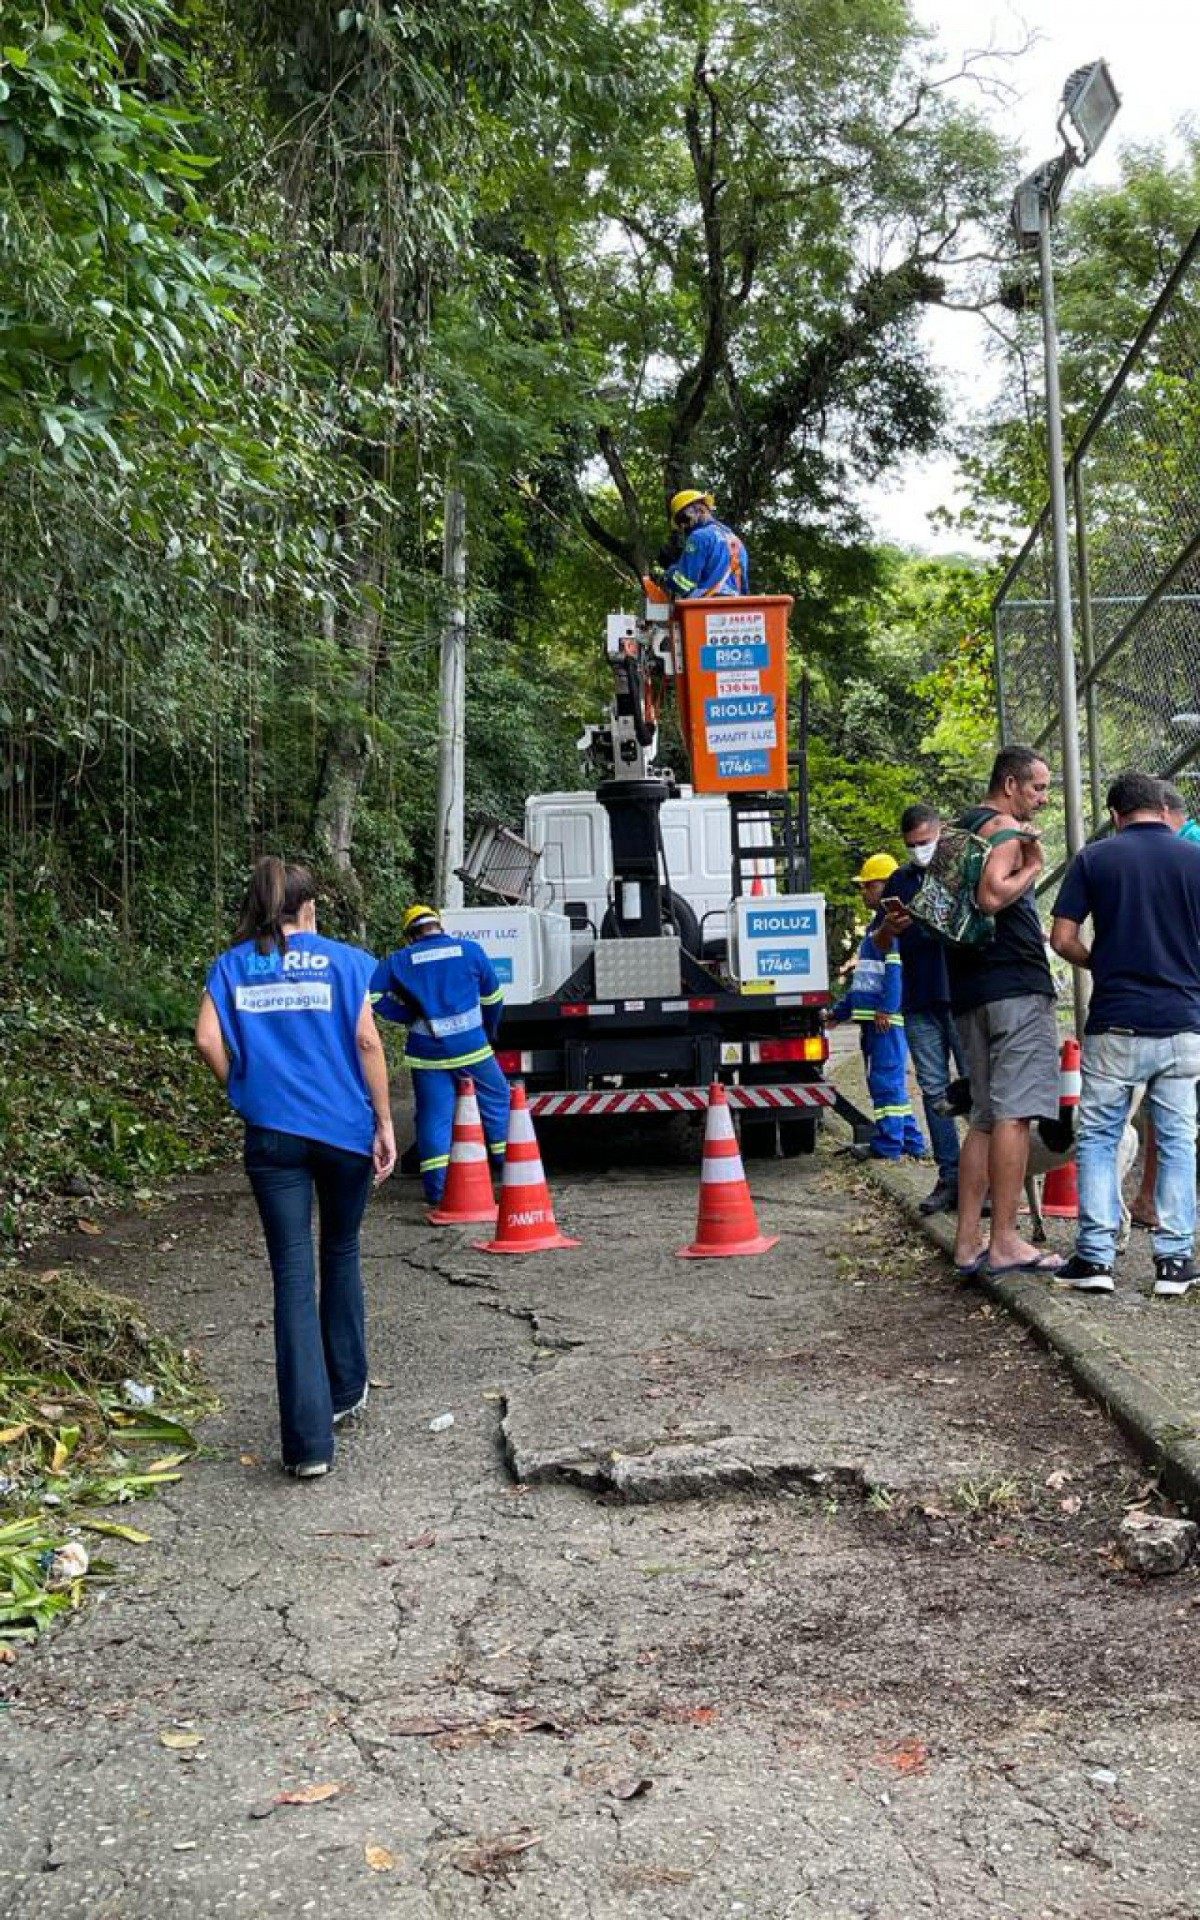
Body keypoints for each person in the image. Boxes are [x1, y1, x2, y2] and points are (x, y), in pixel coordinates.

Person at [195, 857, 396, 1479]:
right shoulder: (347, 961)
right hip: (343, 1135)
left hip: (272, 1138)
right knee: (341, 1249)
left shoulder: (232, 965)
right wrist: (385, 1122)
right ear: (310, 908)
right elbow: (367, 1041)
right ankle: (346, 1390)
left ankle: (308, 1446)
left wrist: (245, 1093)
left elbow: (206, 1039)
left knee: (291, 1271)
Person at [1050, 770, 1200, 1298]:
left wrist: (1101, 964)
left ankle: (1095, 1256)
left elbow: (1062, 937)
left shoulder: (1095, 859)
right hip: (1183, 1021)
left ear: (1115, 815)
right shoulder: (1194, 858)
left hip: (1116, 1020)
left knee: (1099, 1134)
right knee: (1179, 1138)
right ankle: (1176, 1262)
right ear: (1163, 810)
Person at [942, 747, 1063, 1278]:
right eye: (1037, 787)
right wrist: (1033, 866)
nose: (1043, 798)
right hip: (1015, 985)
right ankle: (1008, 1239)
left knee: (986, 1119)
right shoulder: (1006, 830)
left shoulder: (959, 827)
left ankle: (968, 1242)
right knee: (1014, 1114)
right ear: (1010, 783)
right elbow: (993, 897)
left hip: (970, 987)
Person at [370, 905, 510, 1205]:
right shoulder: (470, 951)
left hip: (427, 1054)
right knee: (497, 1101)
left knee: (435, 1119)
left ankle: (437, 1192)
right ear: (439, 926)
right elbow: (493, 998)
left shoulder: (399, 960)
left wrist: (408, 1015)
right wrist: (489, 1030)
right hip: (472, 1047)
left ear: (411, 935)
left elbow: (373, 996)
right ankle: (508, 1172)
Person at [880, 803, 966, 1216]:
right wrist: (889, 928)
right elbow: (879, 943)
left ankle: (984, 1179)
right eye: (912, 845)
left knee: (975, 1088)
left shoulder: (962, 871)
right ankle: (950, 1175)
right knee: (935, 1094)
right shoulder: (900, 880)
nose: (920, 851)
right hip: (919, 1000)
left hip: (961, 995)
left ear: (941, 832)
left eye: (926, 842)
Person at [830, 854, 926, 1162]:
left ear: (885, 886)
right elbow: (864, 984)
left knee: (885, 1083)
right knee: (892, 1084)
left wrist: (887, 1009)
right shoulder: (875, 928)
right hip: (876, 1021)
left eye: (867, 886)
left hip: (884, 1023)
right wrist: (839, 1012)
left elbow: (894, 971)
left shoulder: (889, 928)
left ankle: (888, 1145)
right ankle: (911, 1140)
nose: (863, 893)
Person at [663, 489, 750, 599]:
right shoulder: (737, 542)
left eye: (683, 519)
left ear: (699, 509)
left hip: (707, 609)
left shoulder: (699, 536)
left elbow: (685, 584)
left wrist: (670, 574)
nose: (683, 526)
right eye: (680, 523)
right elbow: (744, 589)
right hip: (736, 608)